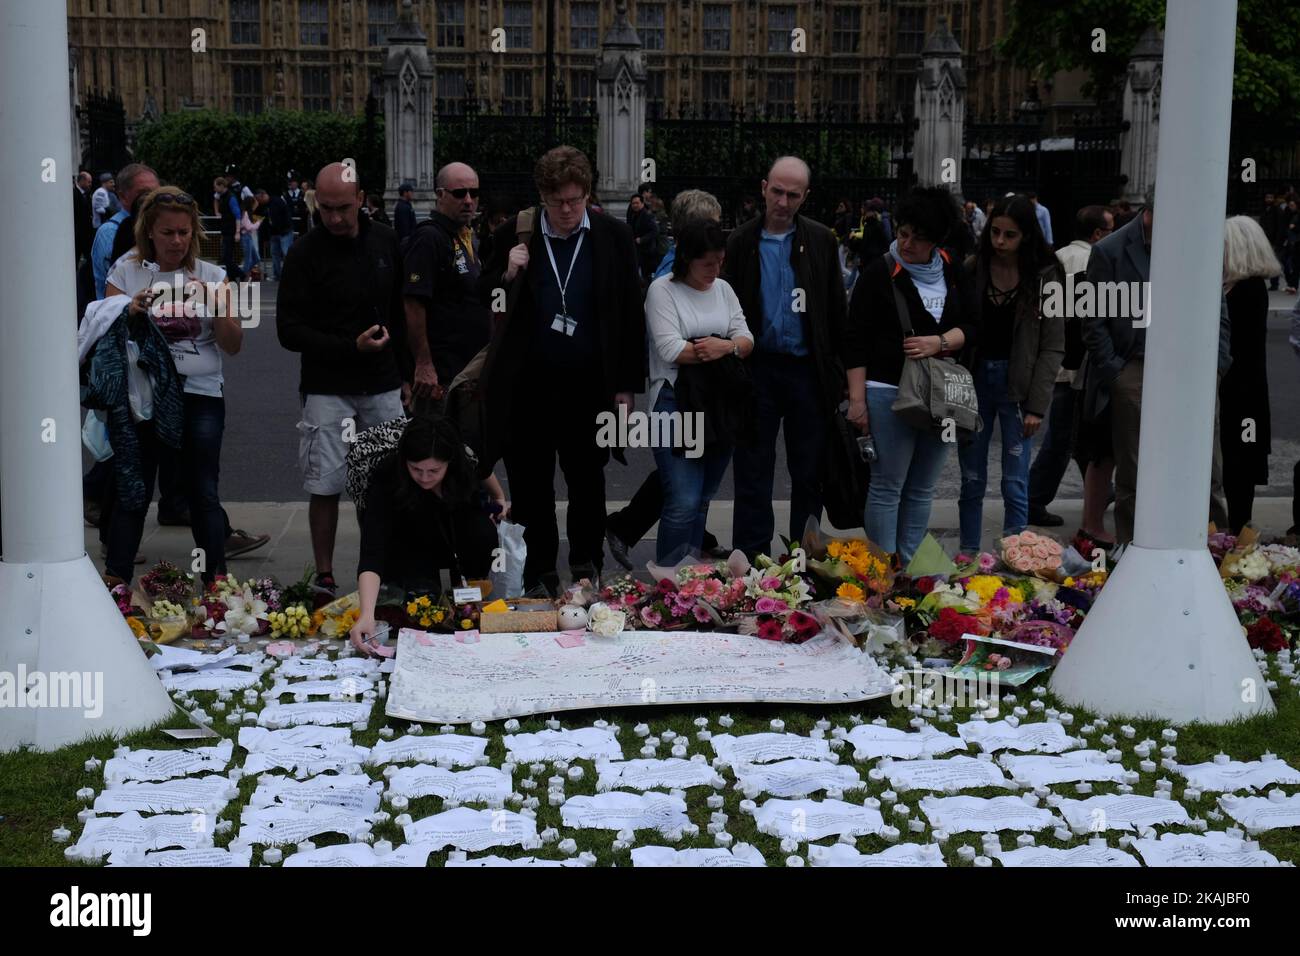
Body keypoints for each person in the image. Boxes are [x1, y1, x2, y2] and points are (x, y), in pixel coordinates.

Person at [478, 145, 644, 594]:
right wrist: (505, 277)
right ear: (542, 197)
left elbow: (631, 313)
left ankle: (586, 566)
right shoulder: (517, 233)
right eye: (557, 202)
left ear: (587, 193)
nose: (567, 210)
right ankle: (540, 573)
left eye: (574, 200)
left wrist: (627, 388)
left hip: (590, 387)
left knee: (587, 482)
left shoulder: (612, 236)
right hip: (527, 389)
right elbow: (483, 301)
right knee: (532, 488)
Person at [103, 187, 261, 585]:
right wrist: (129, 310)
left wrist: (220, 306)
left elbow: (234, 345)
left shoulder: (213, 276)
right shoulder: (126, 271)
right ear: (149, 233)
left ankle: (215, 585)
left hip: (200, 393)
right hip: (145, 396)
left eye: (184, 233)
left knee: (202, 489)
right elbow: (104, 337)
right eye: (168, 232)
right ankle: (116, 582)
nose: (177, 241)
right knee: (134, 490)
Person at [277, 162, 413, 595]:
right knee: (326, 484)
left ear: (361, 200)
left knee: (383, 483)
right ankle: (324, 573)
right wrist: (347, 346)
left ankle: (382, 568)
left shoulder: (387, 241)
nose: (334, 218)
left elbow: (401, 314)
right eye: (325, 208)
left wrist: (408, 373)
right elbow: (287, 330)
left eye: (342, 208)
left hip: (383, 382)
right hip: (327, 386)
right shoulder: (303, 252)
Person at [1081, 187, 1232, 545]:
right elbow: (1094, 320)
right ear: (1150, 212)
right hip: (1135, 365)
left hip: (1193, 366)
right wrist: (1116, 373)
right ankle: (1133, 546)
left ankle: (1215, 547)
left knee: (1206, 463)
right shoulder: (1110, 250)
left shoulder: (1197, 244)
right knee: (1134, 468)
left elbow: (1218, 311)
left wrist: (1217, 366)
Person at [845, 187, 979, 562]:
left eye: (918, 239)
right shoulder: (878, 272)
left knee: (922, 488)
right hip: (887, 390)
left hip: (941, 393)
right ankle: (884, 570)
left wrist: (940, 341)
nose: (906, 243)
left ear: (937, 241)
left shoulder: (952, 268)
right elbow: (854, 339)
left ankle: (911, 569)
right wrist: (857, 402)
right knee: (887, 486)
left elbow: (974, 323)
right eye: (903, 233)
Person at [723, 156, 847, 559]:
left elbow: (834, 308)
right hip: (756, 367)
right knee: (753, 469)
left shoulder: (821, 240)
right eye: (777, 191)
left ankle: (803, 558)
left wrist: (839, 374)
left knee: (808, 470)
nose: (783, 201)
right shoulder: (741, 241)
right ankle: (753, 559)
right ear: (764, 188)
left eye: (793, 194)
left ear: (804, 197)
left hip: (805, 370)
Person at [606, 190, 729, 566]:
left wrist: (733, 346)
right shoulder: (668, 279)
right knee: (683, 492)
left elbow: (742, 332)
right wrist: (723, 349)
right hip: (680, 394)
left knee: (689, 492)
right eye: (710, 225)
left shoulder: (713, 273)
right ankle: (672, 569)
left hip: (709, 396)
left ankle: (676, 557)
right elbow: (671, 347)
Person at [957, 195, 1065, 554]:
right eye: (996, 232)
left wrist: (1037, 405)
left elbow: (1052, 345)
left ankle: (1016, 559)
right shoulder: (974, 268)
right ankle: (968, 557)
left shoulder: (1047, 274)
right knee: (971, 479)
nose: (1000, 242)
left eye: (1010, 235)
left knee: (1015, 481)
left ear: (1027, 236)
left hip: (1017, 386)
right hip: (974, 383)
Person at [644, 220, 755, 562]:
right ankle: (669, 577)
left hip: (720, 403)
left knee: (704, 496)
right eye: (707, 263)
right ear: (686, 259)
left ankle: (690, 577)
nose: (715, 269)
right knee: (683, 499)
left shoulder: (723, 289)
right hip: (675, 400)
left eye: (719, 261)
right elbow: (671, 349)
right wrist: (725, 347)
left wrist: (725, 348)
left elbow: (747, 339)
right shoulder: (662, 290)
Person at [348, 416, 500, 656]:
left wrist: (499, 498)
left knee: (483, 533)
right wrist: (367, 613)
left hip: (452, 528)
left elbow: (482, 476)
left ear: (449, 462)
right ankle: (421, 584)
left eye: (434, 471)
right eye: (416, 469)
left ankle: (467, 589)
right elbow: (372, 550)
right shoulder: (388, 474)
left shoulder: (462, 465)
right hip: (407, 535)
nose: (425, 477)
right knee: (418, 597)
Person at [1027, 204, 1113, 528]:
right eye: (1110, 229)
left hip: (1059, 361)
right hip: (1076, 365)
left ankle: (1103, 490)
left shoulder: (1059, 257)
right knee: (1063, 436)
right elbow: (1082, 319)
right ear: (1096, 234)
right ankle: (1034, 499)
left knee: (1076, 434)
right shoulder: (1091, 260)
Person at [403, 162, 491, 415]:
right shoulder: (429, 238)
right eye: (459, 193)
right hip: (441, 373)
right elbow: (413, 302)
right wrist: (423, 363)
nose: (468, 200)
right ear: (440, 194)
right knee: (440, 445)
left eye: (473, 193)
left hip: (466, 369)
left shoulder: (467, 235)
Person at [1220, 216, 1282, 532]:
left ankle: (1236, 530)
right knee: (1237, 462)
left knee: (1238, 465)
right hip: (1245, 390)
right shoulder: (1245, 287)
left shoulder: (1246, 290)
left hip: (1240, 392)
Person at [91, 164, 160, 299]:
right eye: (143, 193)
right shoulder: (110, 232)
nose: (152, 199)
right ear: (122, 196)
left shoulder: (160, 225)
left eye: (156, 193)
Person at [260, 187, 294, 280]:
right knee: (276, 254)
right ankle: (277, 274)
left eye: (259, 199)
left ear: (263, 196)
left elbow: (281, 217)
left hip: (283, 231)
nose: (259, 202)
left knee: (286, 253)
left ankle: (290, 274)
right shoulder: (268, 204)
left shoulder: (277, 202)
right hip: (275, 232)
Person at [214, 177, 243, 281]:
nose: (215, 189)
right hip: (226, 229)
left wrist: (237, 232)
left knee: (227, 256)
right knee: (227, 256)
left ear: (221, 186)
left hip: (231, 230)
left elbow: (237, 215)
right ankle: (232, 277)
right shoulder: (221, 196)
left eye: (216, 186)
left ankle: (241, 274)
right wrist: (217, 212)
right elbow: (215, 199)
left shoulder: (231, 197)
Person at [628, 194, 660, 284]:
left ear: (642, 203)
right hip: (637, 249)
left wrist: (642, 239)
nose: (634, 205)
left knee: (646, 274)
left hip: (647, 251)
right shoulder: (633, 214)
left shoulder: (647, 215)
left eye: (637, 203)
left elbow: (655, 230)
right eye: (633, 203)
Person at [238, 193, 262, 280]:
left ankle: (243, 273)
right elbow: (249, 227)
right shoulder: (245, 214)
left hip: (247, 237)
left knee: (255, 258)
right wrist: (258, 223)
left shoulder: (244, 212)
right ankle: (243, 275)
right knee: (248, 259)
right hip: (246, 237)